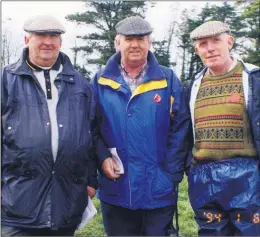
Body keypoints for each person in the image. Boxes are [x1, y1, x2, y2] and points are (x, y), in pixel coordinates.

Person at [1, 15, 102, 236]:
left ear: (61, 42)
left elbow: (92, 135)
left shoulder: (80, 84)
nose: (48, 41)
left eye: (53, 36)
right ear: (27, 39)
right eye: (41, 35)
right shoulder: (6, 80)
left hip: (67, 201)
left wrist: (91, 181)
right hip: (17, 202)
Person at [91, 16, 191, 236]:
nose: (135, 44)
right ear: (117, 43)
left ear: (149, 43)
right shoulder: (99, 81)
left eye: (141, 38)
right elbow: (91, 128)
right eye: (129, 39)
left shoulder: (168, 79)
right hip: (115, 187)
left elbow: (181, 128)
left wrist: (170, 173)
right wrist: (102, 157)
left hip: (158, 189)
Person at [187, 20, 260, 236]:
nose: (210, 48)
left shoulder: (254, 78)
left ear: (229, 41)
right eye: (203, 44)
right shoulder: (193, 85)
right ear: (196, 50)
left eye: (216, 41)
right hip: (203, 177)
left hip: (247, 176)